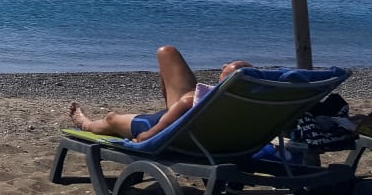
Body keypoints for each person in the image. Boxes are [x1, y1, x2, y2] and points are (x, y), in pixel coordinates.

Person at [68, 46, 253, 141]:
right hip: (204, 126)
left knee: (112, 119)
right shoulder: (257, 105)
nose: (222, 66)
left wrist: (147, 136)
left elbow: (179, 110)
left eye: (224, 70)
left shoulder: (191, 100)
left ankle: (86, 124)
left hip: (171, 129)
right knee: (167, 52)